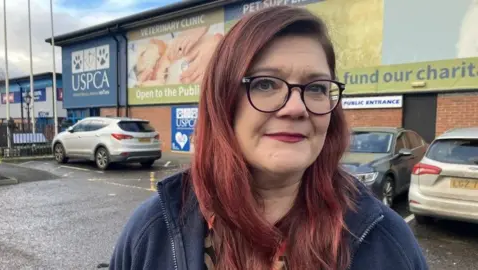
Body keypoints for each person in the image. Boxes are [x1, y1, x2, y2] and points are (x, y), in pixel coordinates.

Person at [110, 6, 428, 270]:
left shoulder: (387, 240)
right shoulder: (152, 232)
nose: (295, 107)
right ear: (224, 101)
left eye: (316, 87)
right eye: (265, 84)